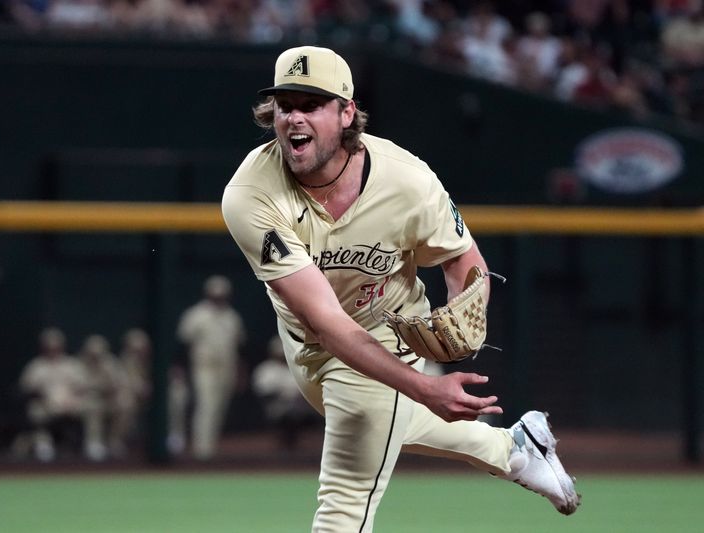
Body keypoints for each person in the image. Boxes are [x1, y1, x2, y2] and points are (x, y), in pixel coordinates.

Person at [222, 45, 581, 531]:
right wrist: (425, 389)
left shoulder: (406, 180)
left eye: (311, 105)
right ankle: (516, 449)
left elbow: (463, 259)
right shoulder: (251, 193)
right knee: (392, 424)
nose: (293, 118)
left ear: (347, 112)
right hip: (308, 345)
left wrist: (464, 314)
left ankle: (514, 449)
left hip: (386, 334)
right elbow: (325, 322)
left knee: (346, 500)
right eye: (285, 105)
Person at [176, 275, 246, 460]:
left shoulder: (232, 317)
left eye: (222, 295)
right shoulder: (196, 315)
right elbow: (184, 343)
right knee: (206, 405)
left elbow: (238, 346)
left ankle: (211, 448)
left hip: (227, 366)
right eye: (215, 295)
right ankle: (202, 450)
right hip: (204, 366)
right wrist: (181, 369)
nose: (218, 298)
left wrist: (239, 371)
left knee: (219, 408)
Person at [16, 327, 88, 462]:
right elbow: (26, 389)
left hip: (70, 404)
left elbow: (82, 388)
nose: (53, 350)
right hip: (45, 405)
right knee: (35, 412)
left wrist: (72, 400)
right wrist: (44, 398)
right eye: (49, 347)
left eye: (56, 347)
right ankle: (43, 444)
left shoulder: (72, 364)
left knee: (90, 406)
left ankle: (91, 445)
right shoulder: (36, 366)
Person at [252, 335, 318, 450]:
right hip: (276, 408)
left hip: (301, 407)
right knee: (287, 415)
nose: (283, 356)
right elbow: (264, 394)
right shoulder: (267, 369)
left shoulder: (300, 368)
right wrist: (284, 396)